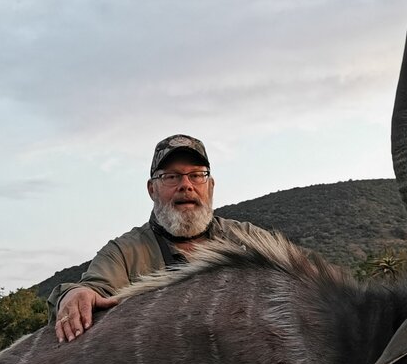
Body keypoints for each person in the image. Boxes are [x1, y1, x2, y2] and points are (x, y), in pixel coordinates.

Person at [47, 134, 268, 343]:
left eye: (197, 175)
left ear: (210, 186)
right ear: (152, 189)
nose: (186, 185)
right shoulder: (124, 252)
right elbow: (95, 288)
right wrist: (75, 294)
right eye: (171, 176)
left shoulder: (249, 239)